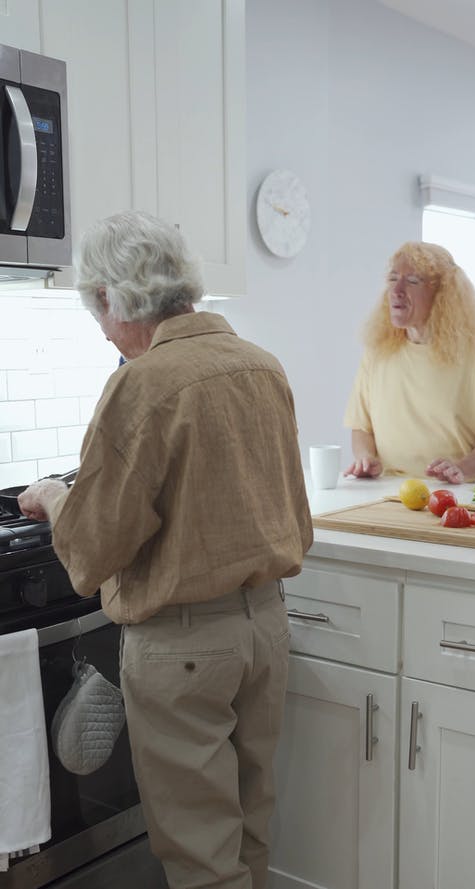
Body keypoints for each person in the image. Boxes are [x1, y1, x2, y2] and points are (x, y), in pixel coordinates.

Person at [18, 209, 313, 889]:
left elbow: (91, 550)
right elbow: (293, 513)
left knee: (202, 858)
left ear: (112, 299)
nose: (102, 331)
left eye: (97, 311)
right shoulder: (260, 365)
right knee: (248, 834)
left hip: (185, 650)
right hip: (265, 629)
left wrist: (54, 496)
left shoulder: (143, 382)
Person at [343, 241, 475, 484]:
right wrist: (366, 457)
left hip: (464, 494)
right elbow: (361, 427)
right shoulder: (378, 351)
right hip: (390, 491)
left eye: (413, 281)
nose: (397, 290)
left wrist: (462, 468)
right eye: (393, 279)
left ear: (443, 292)